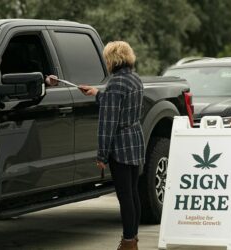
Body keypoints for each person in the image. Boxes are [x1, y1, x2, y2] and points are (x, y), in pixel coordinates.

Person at [79, 41, 145, 250]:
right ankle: (133, 239)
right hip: (135, 140)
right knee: (133, 193)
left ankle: (127, 243)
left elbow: (108, 124)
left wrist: (101, 156)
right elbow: (118, 103)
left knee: (124, 196)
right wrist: (97, 94)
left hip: (121, 147)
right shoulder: (135, 79)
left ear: (111, 59)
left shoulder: (116, 84)